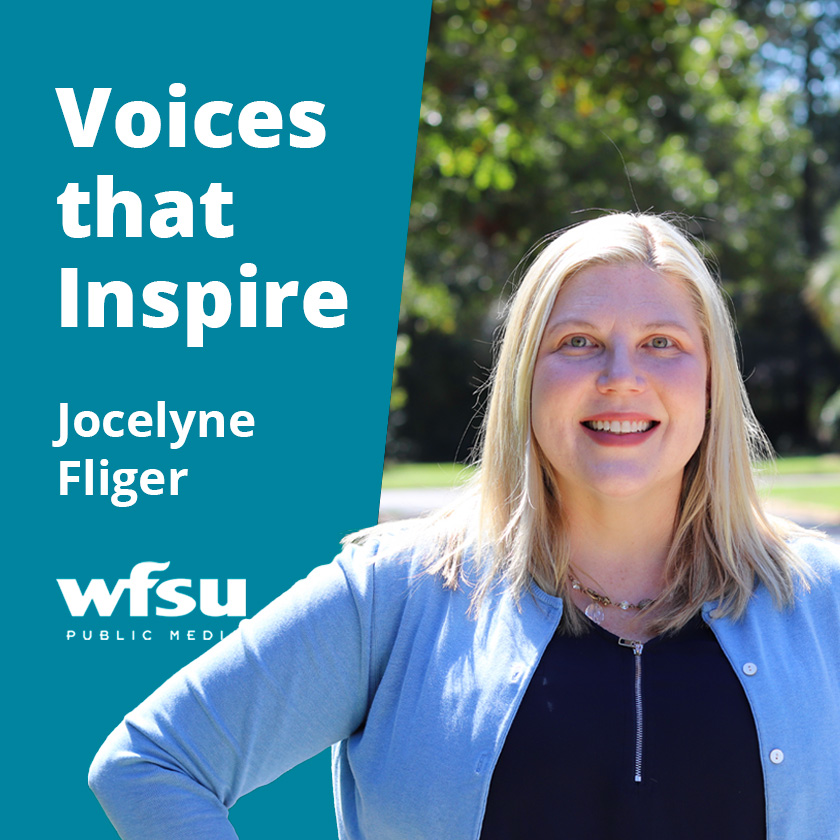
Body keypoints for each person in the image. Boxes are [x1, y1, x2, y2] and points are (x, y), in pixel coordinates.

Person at [89, 213, 840, 839]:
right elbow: (152, 761)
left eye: (662, 344)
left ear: (712, 381)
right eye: (577, 341)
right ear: (524, 377)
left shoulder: (822, 600)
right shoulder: (391, 596)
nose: (621, 375)